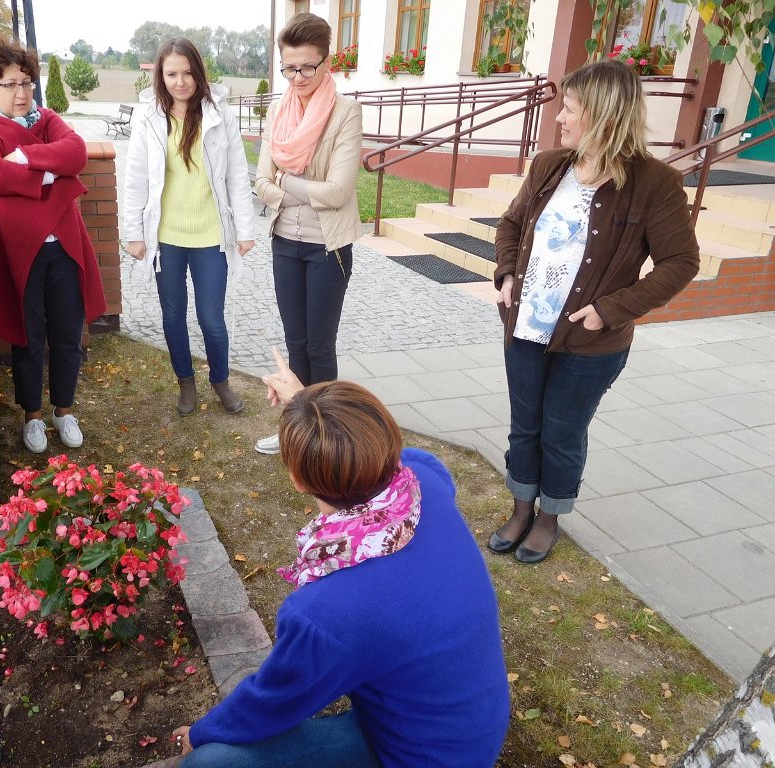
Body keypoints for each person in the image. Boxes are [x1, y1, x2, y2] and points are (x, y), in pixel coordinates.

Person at [172, 348, 511, 768]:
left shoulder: (326, 612)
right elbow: (403, 462)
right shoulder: (424, 478)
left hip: (419, 756)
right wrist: (306, 404)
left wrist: (202, 733)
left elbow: (274, 699)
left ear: (296, 480)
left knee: (207, 763)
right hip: (470, 723)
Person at [489, 59, 699, 564]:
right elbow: (511, 226)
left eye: (572, 109)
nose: (560, 118)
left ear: (604, 115)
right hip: (527, 327)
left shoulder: (655, 183)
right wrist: (508, 275)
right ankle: (521, 506)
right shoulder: (550, 166)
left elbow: (681, 262)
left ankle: (548, 517)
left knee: (562, 430)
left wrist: (610, 310)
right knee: (525, 425)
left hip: (590, 342)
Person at [0, 37, 106, 454]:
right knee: (28, 336)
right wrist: (51, 175)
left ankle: (64, 410)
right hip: (19, 251)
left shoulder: (45, 117)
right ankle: (33, 416)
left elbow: (76, 154)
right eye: (10, 84)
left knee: (67, 332)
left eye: (27, 82)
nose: (22, 93)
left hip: (63, 245)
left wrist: (24, 161)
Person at [123, 37, 255, 416]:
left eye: (187, 73)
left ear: (198, 72)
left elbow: (235, 177)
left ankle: (220, 380)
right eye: (171, 74)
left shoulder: (219, 114)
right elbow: (135, 179)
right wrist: (134, 233)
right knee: (172, 315)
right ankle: (185, 382)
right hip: (166, 237)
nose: (180, 81)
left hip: (211, 234)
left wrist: (244, 229)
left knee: (212, 318)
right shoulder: (148, 116)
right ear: (161, 77)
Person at [252, 12, 364, 456]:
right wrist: (287, 187)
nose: (297, 77)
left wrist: (285, 184)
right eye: (289, 67)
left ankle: (329, 439)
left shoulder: (345, 112)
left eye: (307, 67)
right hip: (285, 243)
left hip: (327, 248)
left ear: (326, 63)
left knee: (320, 345)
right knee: (295, 341)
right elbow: (259, 181)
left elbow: (337, 192)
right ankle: (296, 432)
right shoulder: (278, 110)